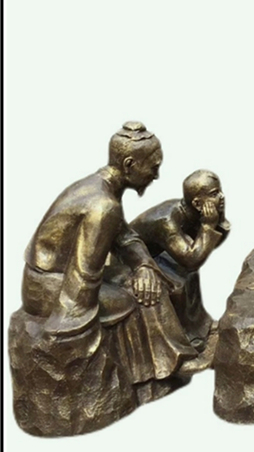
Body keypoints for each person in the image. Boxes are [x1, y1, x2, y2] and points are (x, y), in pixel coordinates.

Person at [12, 122, 205, 435]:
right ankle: (165, 365)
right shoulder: (103, 206)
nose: (156, 175)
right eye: (153, 167)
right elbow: (84, 277)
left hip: (56, 278)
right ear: (129, 165)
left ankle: (170, 358)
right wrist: (74, 332)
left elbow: (124, 237)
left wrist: (144, 265)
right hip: (51, 290)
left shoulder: (101, 188)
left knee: (146, 277)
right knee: (142, 294)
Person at [131, 170, 230, 349]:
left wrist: (218, 220)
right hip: (131, 262)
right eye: (214, 194)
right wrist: (208, 226)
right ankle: (185, 337)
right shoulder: (167, 221)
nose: (222, 196)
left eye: (220, 191)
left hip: (156, 254)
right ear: (197, 203)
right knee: (178, 282)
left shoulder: (191, 211)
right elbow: (192, 260)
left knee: (189, 274)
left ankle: (198, 328)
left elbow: (205, 248)